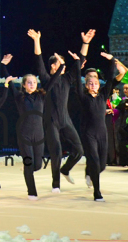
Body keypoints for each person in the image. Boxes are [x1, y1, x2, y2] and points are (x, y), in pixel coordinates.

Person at [28, 28, 89, 192]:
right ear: (54, 66)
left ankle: (65, 170)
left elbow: (81, 60)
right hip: (51, 121)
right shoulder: (47, 78)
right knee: (56, 152)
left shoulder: (68, 79)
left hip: (65, 120)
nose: (64, 65)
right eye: (60, 62)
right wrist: (37, 40)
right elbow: (39, 59)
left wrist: (86, 42)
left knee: (79, 150)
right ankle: (56, 184)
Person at [2, 53, 63, 200]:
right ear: (23, 85)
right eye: (29, 82)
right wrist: (4, 65)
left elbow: (54, 79)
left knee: (38, 165)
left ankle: (27, 168)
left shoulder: (41, 95)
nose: (32, 84)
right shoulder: (19, 97)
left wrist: (61, 65)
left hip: (39, 134)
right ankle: (32, 191)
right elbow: (9, 81)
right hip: (24, 134)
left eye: (34, 82)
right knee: (29, 164)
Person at [74, 50, 115, 201]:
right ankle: (97, 193)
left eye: (95, 83)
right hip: (88, 133)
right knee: (95, 162)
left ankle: (89, 171)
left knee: (102, 165)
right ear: (87, 85)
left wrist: (111, 61)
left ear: (99, 85)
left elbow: (110, 79)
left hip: (102, 133)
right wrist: (78, 64)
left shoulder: (103, 95)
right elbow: (77, 83)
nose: (92, 85)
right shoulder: (83, 97)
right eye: (90, 83)